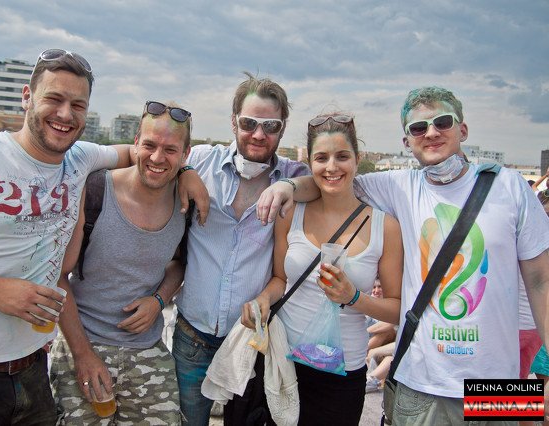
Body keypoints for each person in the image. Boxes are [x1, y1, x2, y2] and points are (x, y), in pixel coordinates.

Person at [0, 49, 207, 425]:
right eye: (54, 99)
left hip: (30, 365)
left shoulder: (80, 159)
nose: (66, 114)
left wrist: (188, 172)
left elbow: (143, 154)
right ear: (27, 96)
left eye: (78, 105)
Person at [256, 86, 549, 425]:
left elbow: (542, 282)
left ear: (463, 129)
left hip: (498, 384)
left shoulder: (510, 186)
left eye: (442, 122)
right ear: (407, 141)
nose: (431, 132)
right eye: (418, 128)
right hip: (420, 383)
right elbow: (332, 180)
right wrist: (288, 186)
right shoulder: (399, 186)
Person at [240, 112, 403, 425]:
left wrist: (353, 297)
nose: (331, 167)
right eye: (321, 158)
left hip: (342, 373)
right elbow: (280, 279)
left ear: (357, 159)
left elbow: (396, 308)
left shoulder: (385, 227)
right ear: (310, 163)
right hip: (284, 361)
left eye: (342, 156)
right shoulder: (291, 214)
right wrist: (262, 299)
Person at [172, 72, 310, 425]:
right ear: (234, 122)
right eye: (249, 123)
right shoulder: (201, 160)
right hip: (192, 337)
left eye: (271, 126)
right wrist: (184, 170)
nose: (259, 134)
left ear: (282, 129)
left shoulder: (293, 173)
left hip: (248, 342)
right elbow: (154, 157)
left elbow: (324, 183)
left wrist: (288, 187)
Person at [50, 101, 192, 424]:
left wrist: (159, 300)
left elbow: (180, 262)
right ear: (136, 143)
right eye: (150, 145)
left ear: (185, 155)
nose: (157, 158)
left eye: (170, 150)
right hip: (84, 343)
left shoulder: (186, 204)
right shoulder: (94, 190)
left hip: (147, 351)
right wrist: (82, 355)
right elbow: (58, 277)